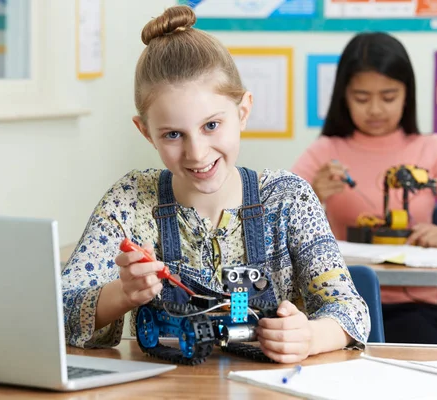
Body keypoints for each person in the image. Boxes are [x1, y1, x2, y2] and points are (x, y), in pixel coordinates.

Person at [61, 5, 370, 363]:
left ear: (242, 112)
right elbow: (57, 311)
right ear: (146, 132)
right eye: (174, 134)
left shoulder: (288, 198)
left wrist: (310, 336)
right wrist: (123, 293)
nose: (197, 152)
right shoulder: (130, 201)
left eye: (211, 125)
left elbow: (349, 309)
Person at [291, 32, 437, 344]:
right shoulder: (325, 150)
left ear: (407, 94)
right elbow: (274, 221)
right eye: (361, 97)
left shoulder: (432, 149)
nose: (375, 109)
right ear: (343, 96)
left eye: (388, 97)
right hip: (338, 305)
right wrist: (312, 196)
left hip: (414, 308)